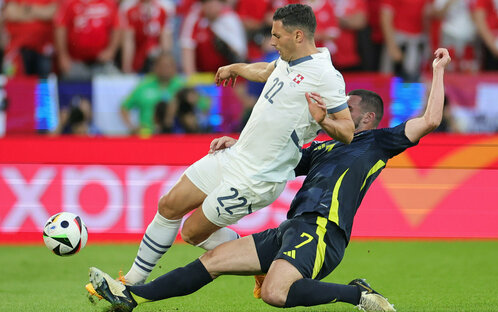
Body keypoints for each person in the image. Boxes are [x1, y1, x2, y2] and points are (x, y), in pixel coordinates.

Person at [88, 48, 452, 312]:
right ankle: (132, 296)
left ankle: (356, 295)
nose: (339, 106)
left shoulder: (379, 143)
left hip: (324, 230)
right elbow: (276, 160)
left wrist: (438, 71)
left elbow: (431, 119)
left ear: (369, 117)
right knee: (214, 259)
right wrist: (241, 144)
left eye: (348, 106)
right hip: (290, 228)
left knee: (275, 294)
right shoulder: (322, 149)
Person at [85, 4, 354, 294]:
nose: (271, 41)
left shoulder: (326, 76)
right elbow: (264, 71)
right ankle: (129, 283)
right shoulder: (286, 60)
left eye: (277, 36)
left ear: (298, 35)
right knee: (169, 205)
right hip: (235, 156)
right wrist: (235, 67)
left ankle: (263, 262)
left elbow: (348, 131)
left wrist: (323, 119)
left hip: (257, 177)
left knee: (192, 233)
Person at [120, 52, 185, 136]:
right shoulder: (144, 86)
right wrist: (132, 127)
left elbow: (202, 106)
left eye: (168, 66)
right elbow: (124, 107)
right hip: (147, 135)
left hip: (175, 136)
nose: (165, 69)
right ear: (155, 67)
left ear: (174, 68)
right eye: (162, 65)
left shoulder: (182, 87)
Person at [54, 0, 121, 80]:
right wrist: (63, 55)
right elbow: (60, 28)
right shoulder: (70, 3)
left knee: (112, 85)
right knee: (74, 89)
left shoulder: (108, 3)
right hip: (75, 61)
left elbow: (117, 27)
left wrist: (111, 50)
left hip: (101, 62)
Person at [2, 0, 57, 77]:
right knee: (17, 84)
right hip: (17, 48)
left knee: (43, 85)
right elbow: (11, 13)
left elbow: (53, 12)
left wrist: (26, 10)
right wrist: (40, 13)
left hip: (43, 48)